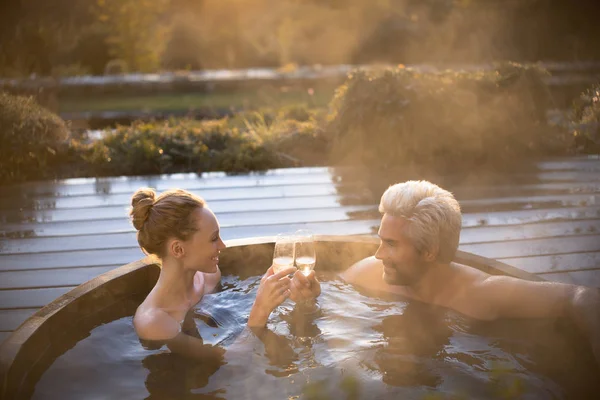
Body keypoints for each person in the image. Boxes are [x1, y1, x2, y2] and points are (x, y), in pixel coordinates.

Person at [307, 180, 600, 365]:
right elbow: (328, 297)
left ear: (430, 251)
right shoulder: (369, 274)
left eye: (391, 244)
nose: (378, 254)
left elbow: (580, 297)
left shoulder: (480, 295)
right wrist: (309, 299)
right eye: (381, 240)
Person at [129, 187, 300, 357]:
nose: (222, 246)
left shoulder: (210, 278)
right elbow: (228, 362)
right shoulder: (153, 322)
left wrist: (304, 301)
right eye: (213, 238)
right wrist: (261, 308)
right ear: (178, 249)